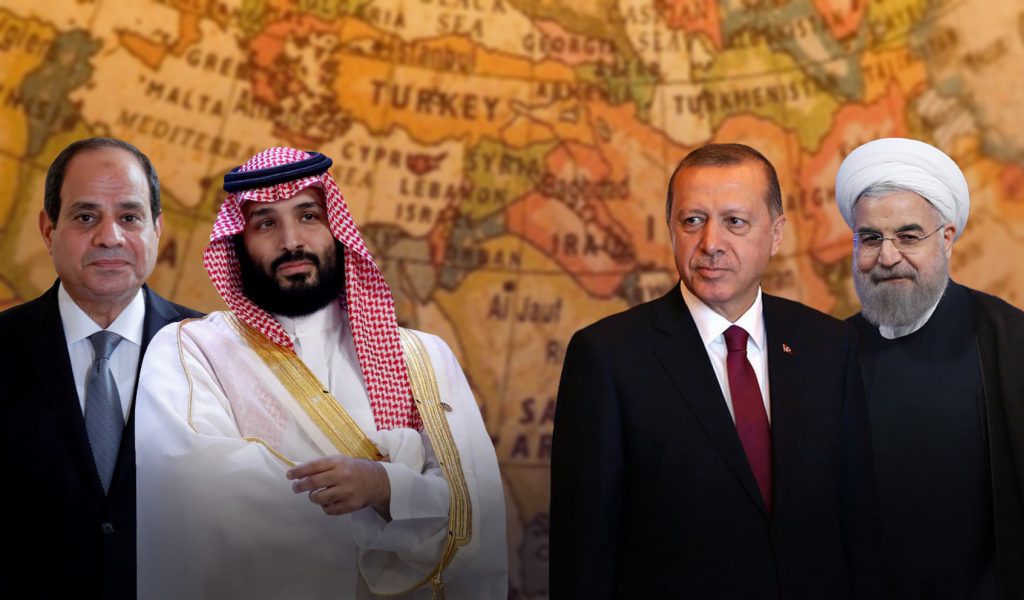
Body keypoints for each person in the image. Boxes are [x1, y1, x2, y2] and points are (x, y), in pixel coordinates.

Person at [134, 147, 507, 599]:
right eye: (266, 224)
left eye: (308, 216)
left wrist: (382, 485)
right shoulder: (191, 350)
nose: (291, 241)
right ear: (237, 244)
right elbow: (198, 496)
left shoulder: (423, 358)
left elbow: (476, 508)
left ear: (336, 229)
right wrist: (401, 492)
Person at [550, 143, 882, 599]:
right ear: (672, 229)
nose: (710, 244)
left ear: (776, 234)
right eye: (692, 221)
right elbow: (582, 553)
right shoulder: (607, 357)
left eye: (735, 222)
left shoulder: (829, 344)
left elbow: (859, 526)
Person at [0, 137, 201, 599]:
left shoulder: (210, 351)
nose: (110, 236)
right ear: (48, 230)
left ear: (157, 228)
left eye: (129, 217)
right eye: (86, 217)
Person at [835, 137, 1024, 600]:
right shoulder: (831, 351)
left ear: (947, 238)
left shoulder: (1010, 342)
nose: (887, 257)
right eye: (871, 238)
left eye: (908, 236)